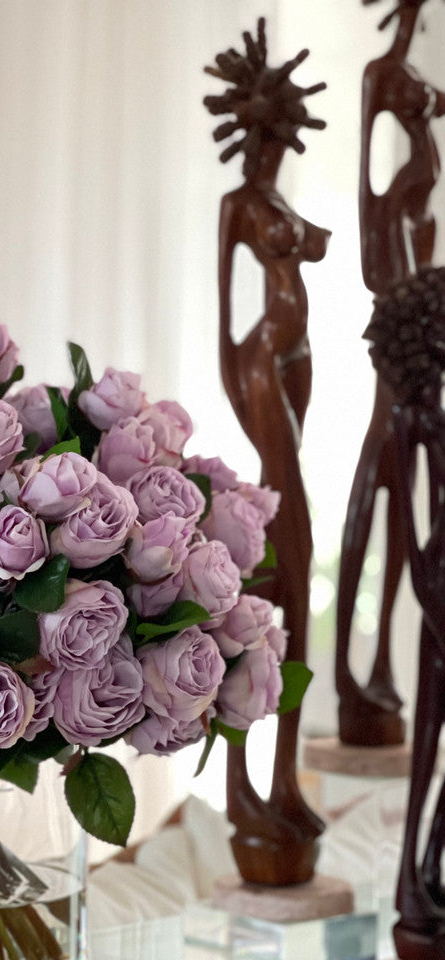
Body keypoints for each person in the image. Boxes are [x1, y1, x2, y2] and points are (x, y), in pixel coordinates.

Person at [205, 18, 327, 884]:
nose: (278, 127)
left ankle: (284, 779)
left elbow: (314, 247)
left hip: (295, 358)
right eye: (268, 115)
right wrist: (236, 380)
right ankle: (246, 786)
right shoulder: (240, 205)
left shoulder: (281, 203)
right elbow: (223, 306)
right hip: (259, 363)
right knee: (290, 541)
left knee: (298, 562)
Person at [336, 0, 445, 748]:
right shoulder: (384, 81)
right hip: (397, 346)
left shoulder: (419, 134)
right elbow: (378, 241)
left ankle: (379, 670)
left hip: (418, 355)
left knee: (407, 518)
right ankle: (349, 674)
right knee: (377, 497)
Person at [365, 266, 445, 960]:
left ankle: (424, 884)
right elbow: (417, 523)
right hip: (442, 580)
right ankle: (414, 892)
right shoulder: (416, 412)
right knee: (425, 744)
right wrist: (425, 587)